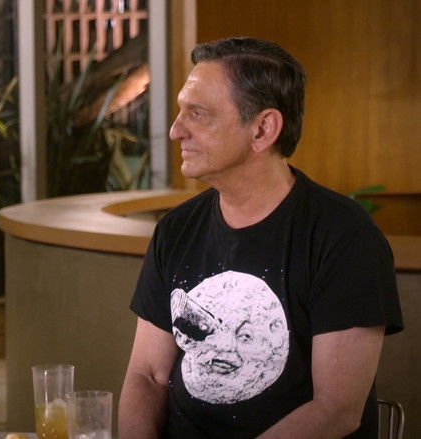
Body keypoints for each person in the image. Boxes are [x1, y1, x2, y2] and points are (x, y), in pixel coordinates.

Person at [118, 37, 403, 438]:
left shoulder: (344, 237)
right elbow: (147, 375)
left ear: (263, 129)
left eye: (198, 114)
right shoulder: (175, 229)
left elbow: (336, 410)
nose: (175, 130)